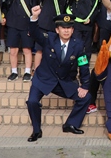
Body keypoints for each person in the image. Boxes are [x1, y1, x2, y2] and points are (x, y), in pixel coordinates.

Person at [26, 8, 91, 142]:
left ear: (73, 30)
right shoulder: (49, 39)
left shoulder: (78, 45)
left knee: (86, 97)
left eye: (69, 28)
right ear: (57, 30)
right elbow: (34, 33)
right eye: (63, 27)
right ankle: (36, 131)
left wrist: (85, 85)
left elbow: (83, 65)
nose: (66, 30)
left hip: (63, 81)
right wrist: (34, 17)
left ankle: (71, 124)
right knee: (32, 101)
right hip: (43, 78)